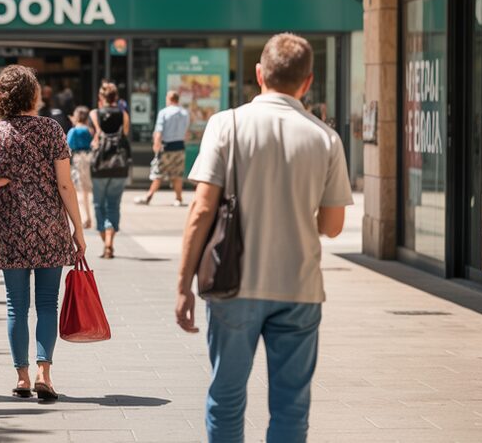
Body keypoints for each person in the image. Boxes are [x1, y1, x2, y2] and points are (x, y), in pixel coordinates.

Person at [176, 33, 353, 442]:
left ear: (259, 74)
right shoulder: (325, 138)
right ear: (307, 82)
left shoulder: (226, 124)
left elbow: (201, 209)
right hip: (299, 288)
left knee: (227, 397)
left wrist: (183, 283)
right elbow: (332, 226)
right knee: (291, 405)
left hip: (233, 285)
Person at [0, 65, 87, 401]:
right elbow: (65, 183)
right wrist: (78, 228)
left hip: (12, 225)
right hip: (49, 226)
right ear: (34, 96)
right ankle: (45, 374)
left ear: (2, 97)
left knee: (15, 306)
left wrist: (6, 181)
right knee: (46, 305)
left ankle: (22, 377)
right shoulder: (52, 130)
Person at [90, 82, 130, 259]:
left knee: (99, 204)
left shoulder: (94, 114)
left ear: (101, 98)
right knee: (114, 204)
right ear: (117, 98)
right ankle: (109, 242)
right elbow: (124, 136)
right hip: (119, 165)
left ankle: (105, 240)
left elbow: (94, 138)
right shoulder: (124, 115)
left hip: (99, 165)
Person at [137, 91, 191, 207]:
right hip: (180, 146)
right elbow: (187, 132)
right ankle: (178, 198)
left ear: (169, 99)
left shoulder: (164, 113)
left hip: (166, 147)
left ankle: (149, 196)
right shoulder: (185, 113)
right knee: (177, 174)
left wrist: (156, 145)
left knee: (158, 173)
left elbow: (158, 132)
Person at [66, 106, 94, 229]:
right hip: (89, 159)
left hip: (78, 161)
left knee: (80, 191)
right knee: (86, 192)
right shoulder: (90, 130)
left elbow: (67, 147)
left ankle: (85, 218)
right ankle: (88, 217)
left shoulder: (74, 131)